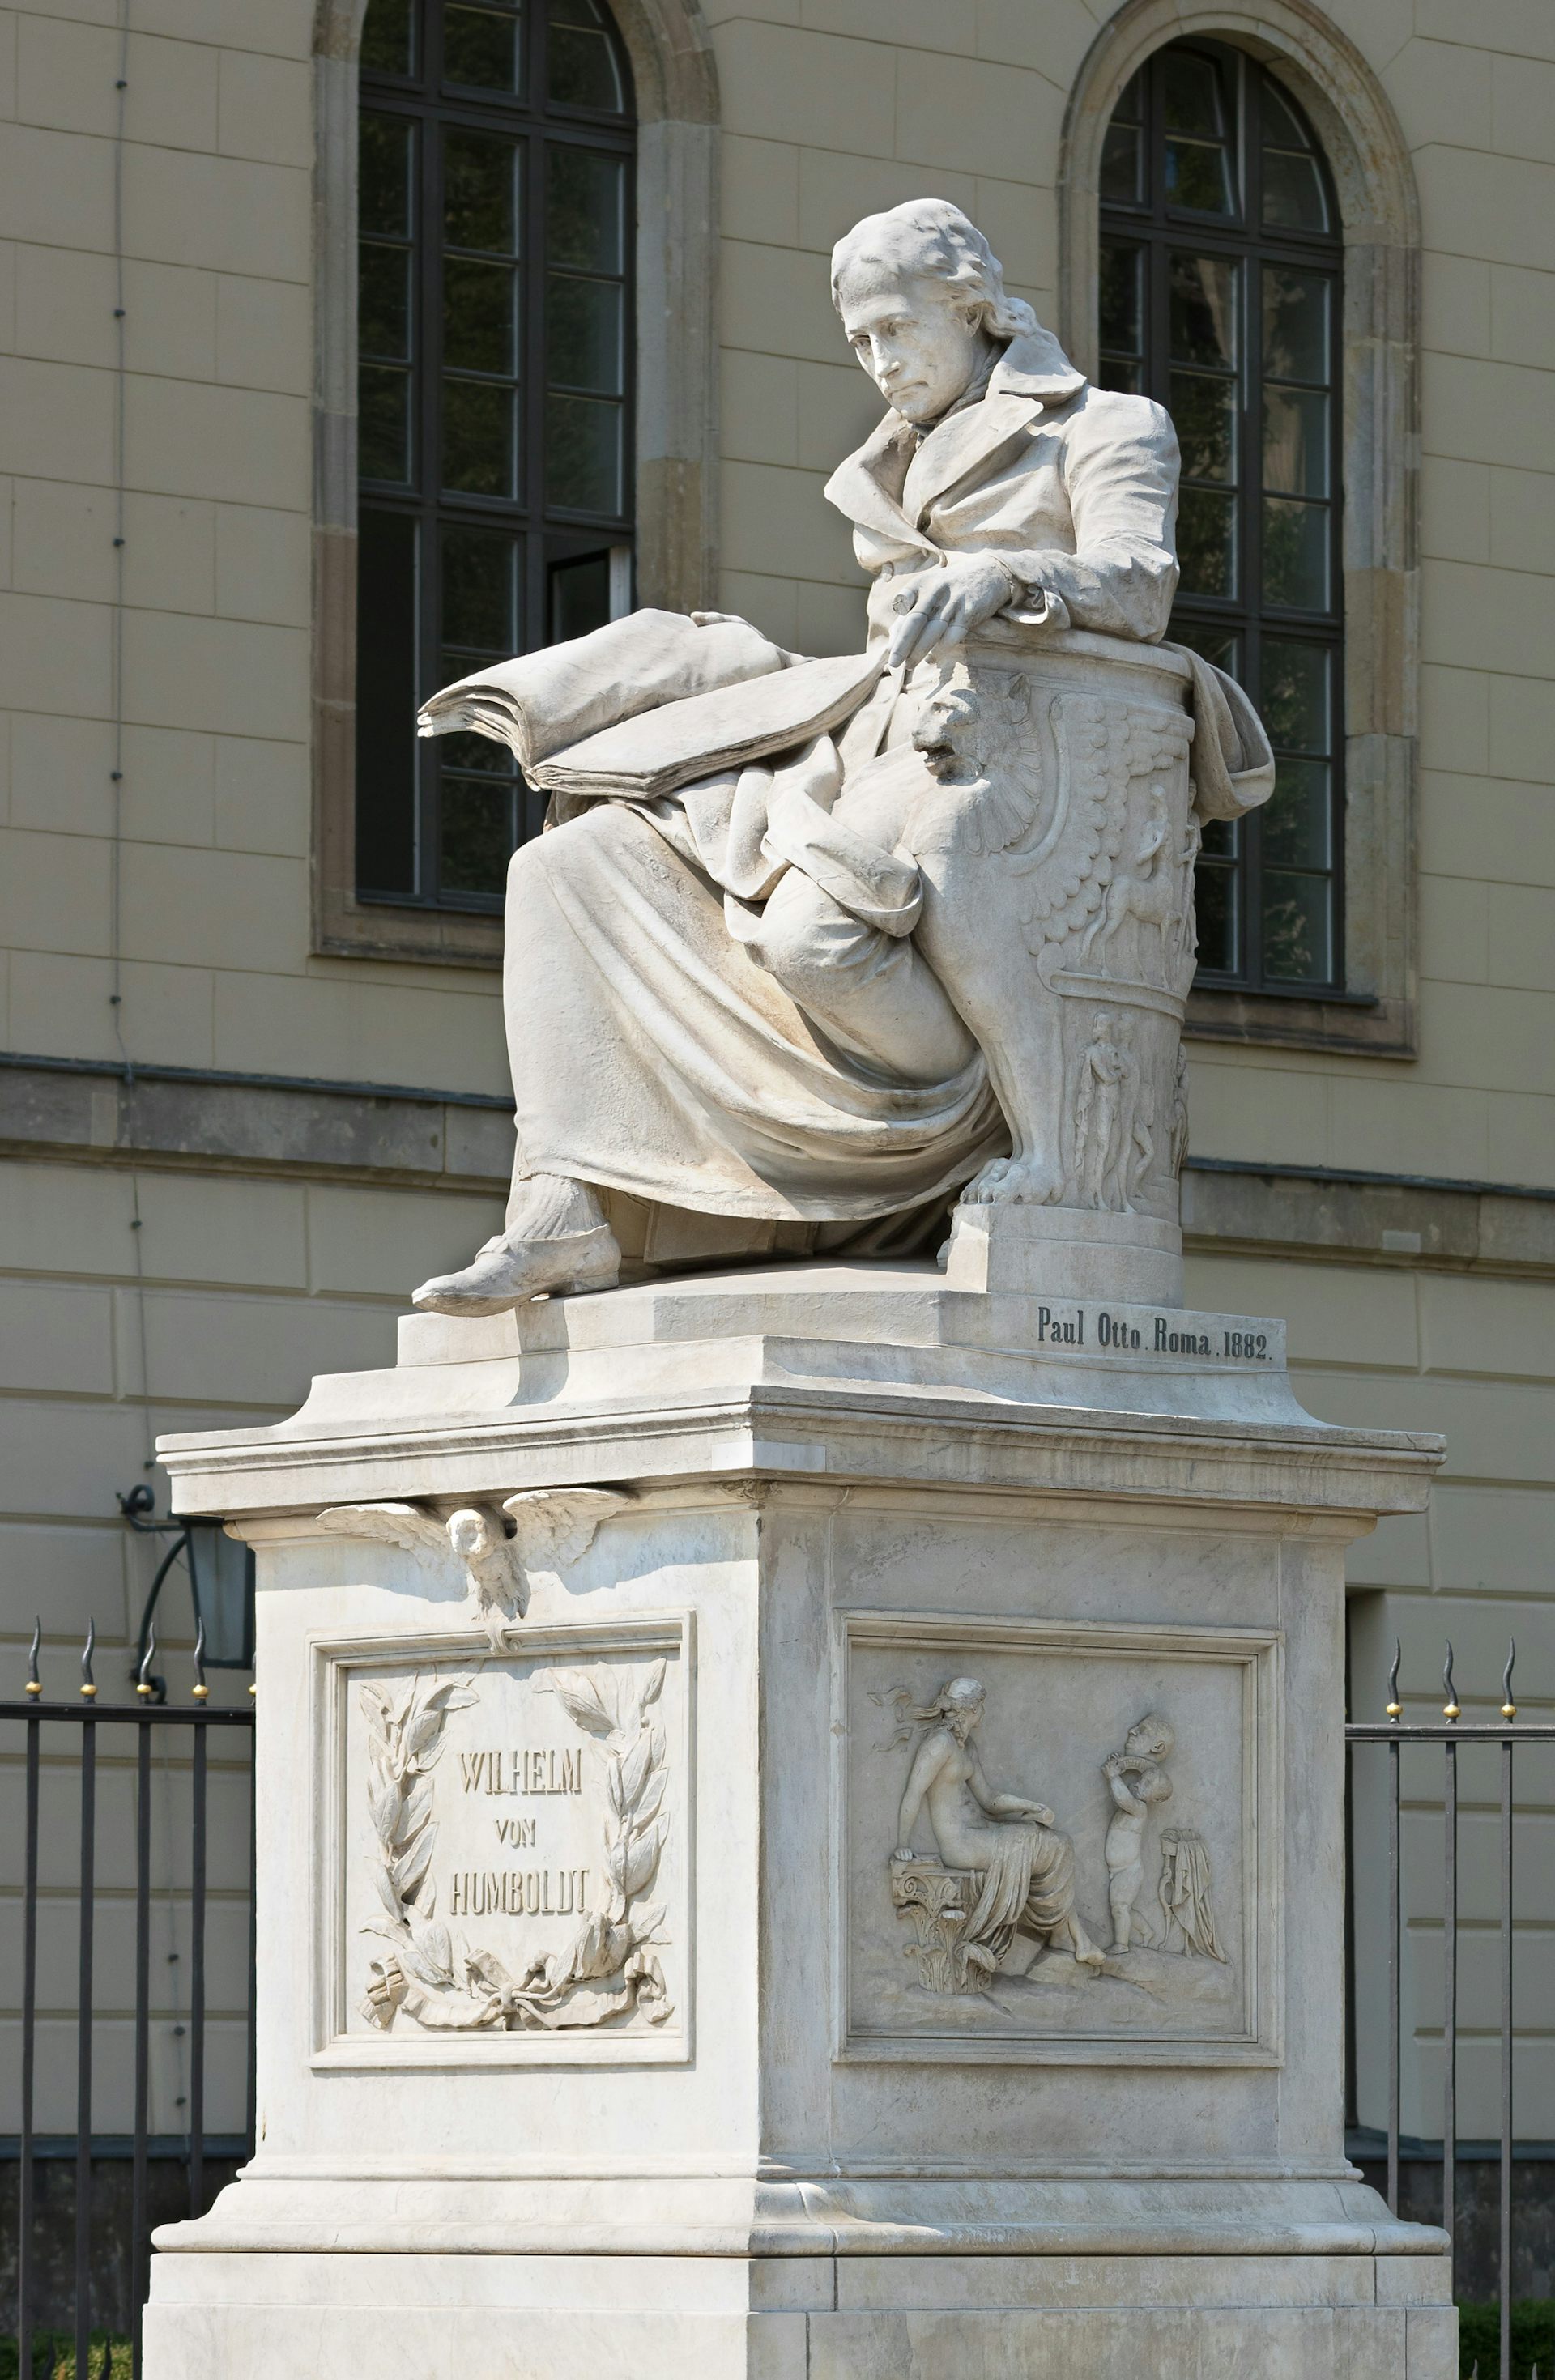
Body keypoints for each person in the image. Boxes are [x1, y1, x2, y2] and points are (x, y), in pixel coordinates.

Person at [413, 200, 1192, 1318]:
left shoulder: (1106, 424)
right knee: (570, 865)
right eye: (858, 342)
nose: (878, 363)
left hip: (1008, 746)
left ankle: (973, 1110)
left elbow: (1140, 578)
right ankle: (564, 1210)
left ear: (968, 306)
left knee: (816, 935)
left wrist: (1011, 576)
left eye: (895, 329)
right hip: (876, 735)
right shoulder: (889, 459)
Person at [892, 1677, 1102, 1973]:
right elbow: (913, 1792)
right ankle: (1070, 1938)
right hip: (961, 1845)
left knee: (1058, 1842)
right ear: (970, 1710)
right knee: (1038, 1844)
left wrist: (1032, 1808)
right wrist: (902, 1845)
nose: (984, 1712)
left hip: (980, 1833)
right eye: (981, 1706)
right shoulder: (939, 1745)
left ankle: (1075, 1939)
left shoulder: (967, 1746)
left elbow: (989, 1800)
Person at [1101, 1714, 1175, 1952]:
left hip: (1128, 1870)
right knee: (1123, 1906)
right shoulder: (1137, 1803)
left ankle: (1122, 1944)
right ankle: (1146, 1931)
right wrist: (1120, 1766)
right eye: (1140, 1780)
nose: (1138, 1785)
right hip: (1120, 1870)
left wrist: (1113, 1777)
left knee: (1120, 1907)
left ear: (1153, 1798)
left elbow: (1122, 1798)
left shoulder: (1139, 1809)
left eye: (1144, 1786)